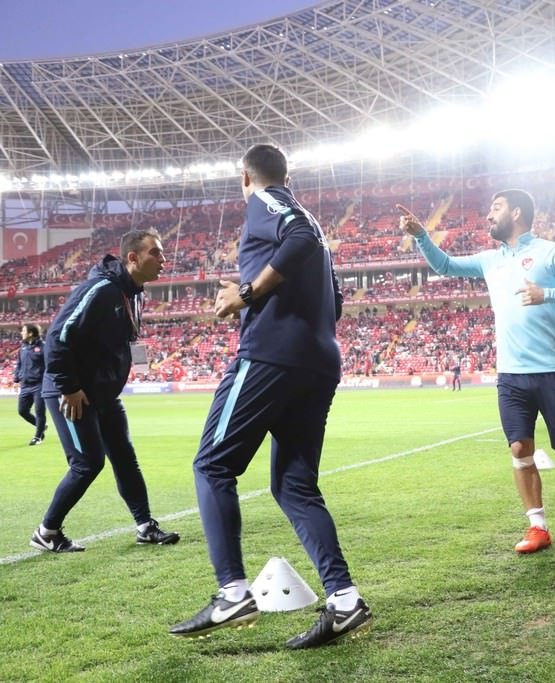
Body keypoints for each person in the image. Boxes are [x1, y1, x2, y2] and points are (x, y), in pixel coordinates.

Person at [170, 144, 368, 649]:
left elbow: (297, 236)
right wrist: (257, 295)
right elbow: (336, 297)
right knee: (294, 487)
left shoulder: (271, 202)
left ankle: (232, 591)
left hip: (271, 357)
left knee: (212, 465)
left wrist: (249, 295)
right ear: (288, 172)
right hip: (319, 362)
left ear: (246, 178)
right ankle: (345, 601)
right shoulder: (310, 227)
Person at [399, 189, 555, 554]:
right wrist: (421, 236)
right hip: (510, 374)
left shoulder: (549, 252)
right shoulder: (490, 260)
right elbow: (445, 266)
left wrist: (547, 295)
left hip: (552, 369)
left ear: (517, 212)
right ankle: (537, 526)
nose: (488, 215)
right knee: (520, 447)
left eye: (496, 208)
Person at [31, 229, 180, 554]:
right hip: (70, 391)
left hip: (103, 393)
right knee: (88, 462)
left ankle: (144, 526)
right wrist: (69, 388)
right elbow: (57, 338)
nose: (163, 260)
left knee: (125, 457)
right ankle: (47, 531)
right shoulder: (100, 289)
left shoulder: (133, 292)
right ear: (132, 257)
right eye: (155, 253)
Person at [15, 323, 47, 445]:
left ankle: (38, 437)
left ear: (30, 333)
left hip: (39, 385)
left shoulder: (43, 347)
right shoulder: (22, 348)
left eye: (23, 331)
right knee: (22, 411)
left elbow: (48, 364)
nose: (21, 333)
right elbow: (19, 364)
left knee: (39, 411)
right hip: (25, 385)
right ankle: (41, 426)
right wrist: (17, 376)